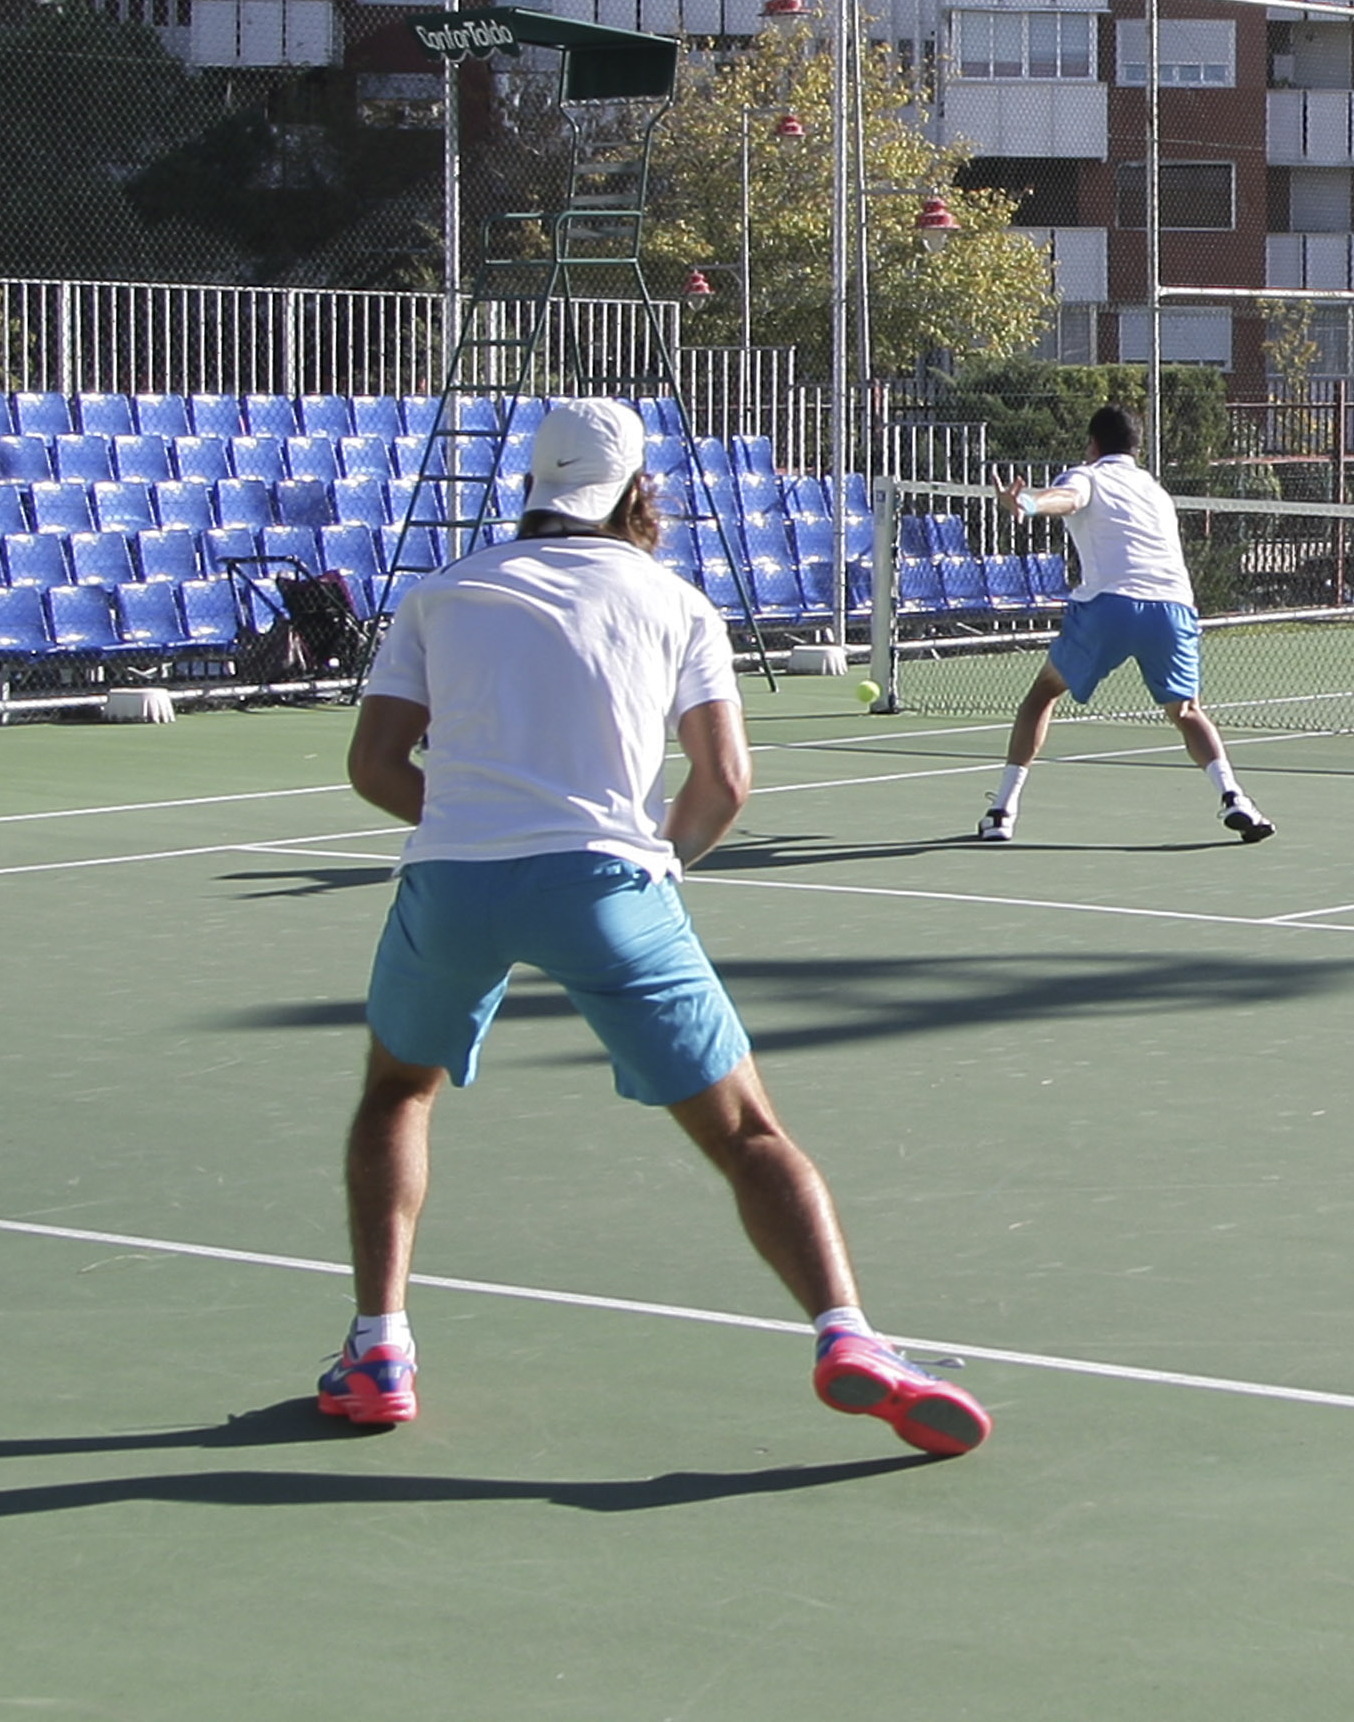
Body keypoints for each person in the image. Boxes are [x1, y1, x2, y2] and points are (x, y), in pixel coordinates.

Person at [328, 399, 991, 1456]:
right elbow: (723, 784)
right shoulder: (675, 601)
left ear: (536, 490)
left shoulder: (441, 596)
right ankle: (849, 1338)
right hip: (611, 889)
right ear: (638, 495)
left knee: (398, 1092)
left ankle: (378, 1350)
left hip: (453, 883)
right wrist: (653, 861)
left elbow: (373, 767)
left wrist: (473, 822)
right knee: (748, 1135)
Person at [979, 403, 1276, 844]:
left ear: (1093, 445)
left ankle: (1002, 811)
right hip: (1173, 610)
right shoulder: (1156, 490)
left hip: (1111, 607)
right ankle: (1234, 797)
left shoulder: (1087, 475)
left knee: (1043, 693)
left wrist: (1026, 501)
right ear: (1136, 447)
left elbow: (1069, 500)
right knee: (1187, 711)